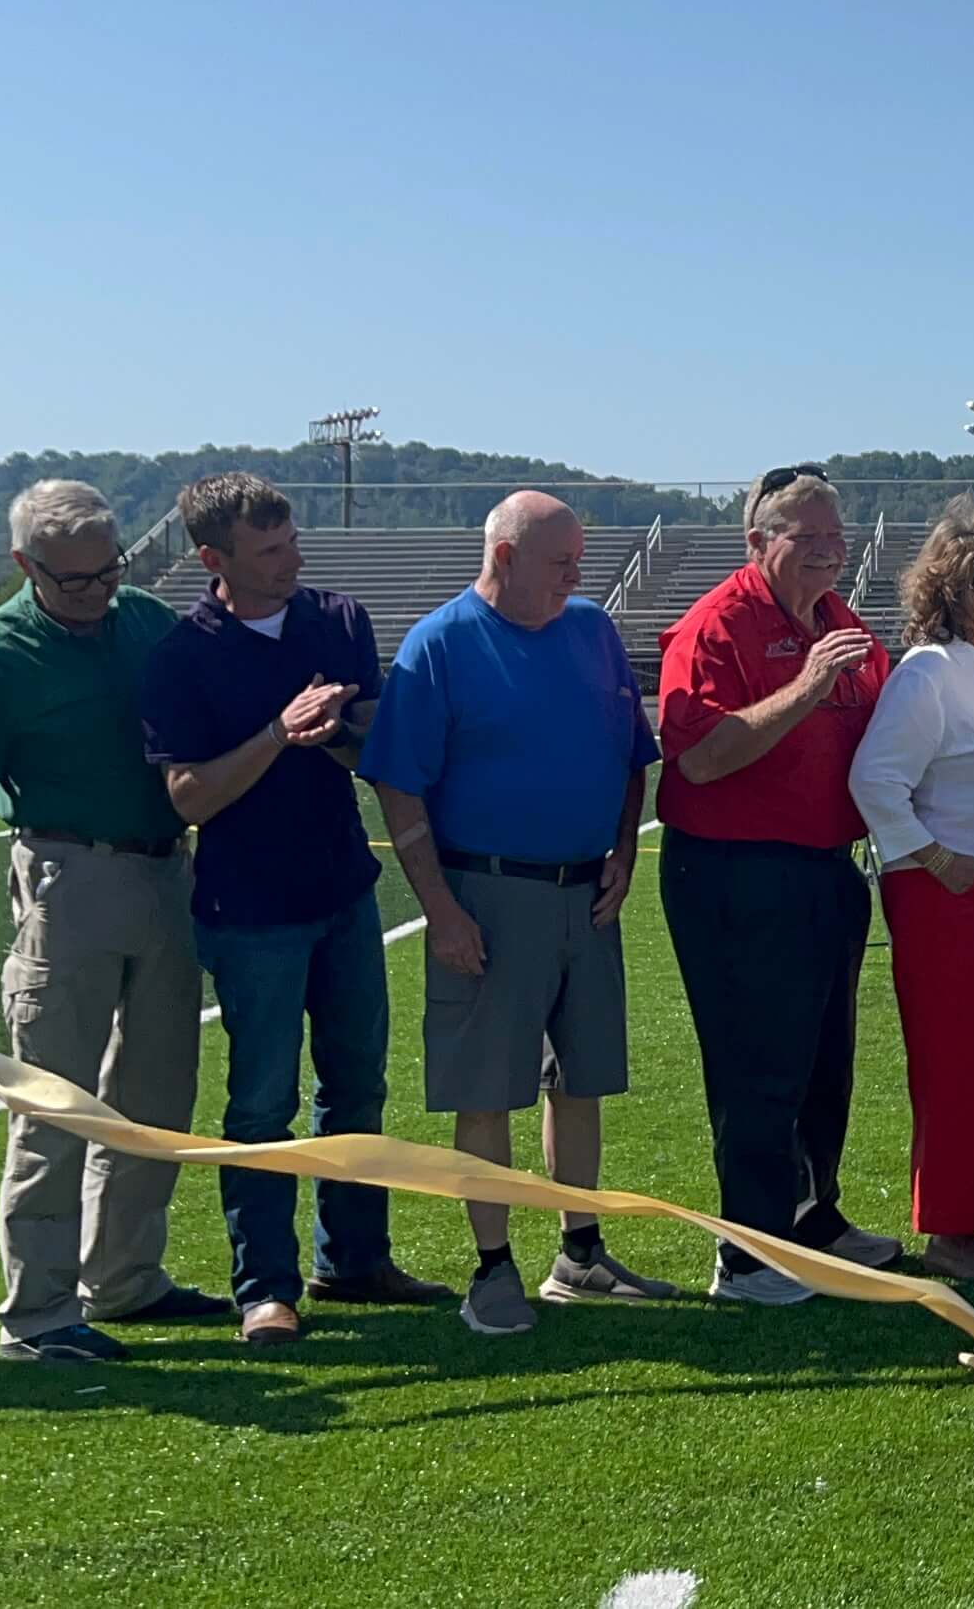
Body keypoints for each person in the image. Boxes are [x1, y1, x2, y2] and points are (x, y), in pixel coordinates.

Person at [0, 480, 229, 1361]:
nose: (95, 592)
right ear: (25, 567)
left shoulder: (147, 621)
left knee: (156, 1095)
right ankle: (37, 1313)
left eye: (107, 571)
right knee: (54, 1100)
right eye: (73, 580)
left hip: (164, 874)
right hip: (66, 877)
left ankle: (124, 1277)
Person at [142, 473, 452, 1344]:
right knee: (259, 1107)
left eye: (292, 542)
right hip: (249, 910)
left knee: (357, 1086)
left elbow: (376, 748)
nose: (293, 560)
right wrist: (280, 733)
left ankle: (355, 1259)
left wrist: (341, 733)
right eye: (270, 550)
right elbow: (189, 798)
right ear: (214, 559)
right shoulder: (183, 654)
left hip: (345, 890)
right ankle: (264, 1288)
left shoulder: (338, 620)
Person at [361, 490, 672, 1334]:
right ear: (502, 558)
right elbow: (399, 786)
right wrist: (441, 910)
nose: (579, 575)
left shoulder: (591, 631)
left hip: (587, 894)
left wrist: (618, 851)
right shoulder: (440, 645)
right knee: (487, 1088)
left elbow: (630, 752)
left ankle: (580, 1252)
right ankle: (492, 1268)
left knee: (580, 1081)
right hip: (487, 895)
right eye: (561, 562)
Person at [656, 466, 900, 1302]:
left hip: (825, 870)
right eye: (809, 539)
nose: (829, 555)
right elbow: (700, 754)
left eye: (838, 539)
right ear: (757, 541)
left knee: (823, 1063)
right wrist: (805, 688)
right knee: (758, 1065)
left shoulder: (838, 617)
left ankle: (812, 1216)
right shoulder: (717, 625)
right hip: (738, 871)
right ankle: (749, 1252)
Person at [848, 503, 974, 1281]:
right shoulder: (928, 670)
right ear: (962, 592)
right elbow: (875, 780)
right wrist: (935, 858)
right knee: (960, 1063)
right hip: (946, 897)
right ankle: (952, 1233)